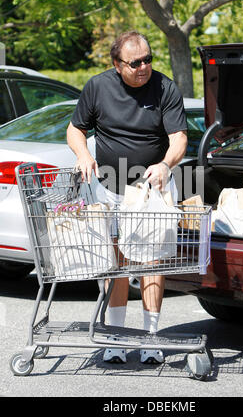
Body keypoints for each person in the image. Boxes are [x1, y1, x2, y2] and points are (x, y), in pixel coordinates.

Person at [67, 31, 188, 364]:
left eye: (149, 59)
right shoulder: (97, 86)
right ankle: (116, 340)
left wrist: (165, 164)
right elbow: (76, 128)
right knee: (116, 263)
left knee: (151, 262)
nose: (144, 67)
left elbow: (178, 137)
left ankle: (150, 340)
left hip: (152, 190)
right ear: (117, 64)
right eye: (136, 63)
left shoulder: (165, 88)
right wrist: (81, 154)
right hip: (110, 190)